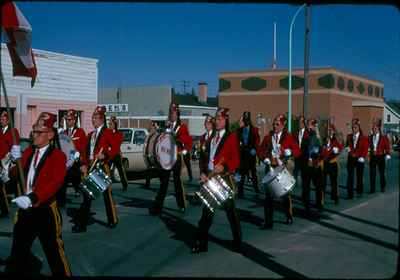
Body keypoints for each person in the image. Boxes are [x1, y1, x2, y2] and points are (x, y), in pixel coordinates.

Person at [4, 112, 72, 276]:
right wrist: (14, 161)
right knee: (18, 251)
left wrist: (33, 197)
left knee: (54, 253)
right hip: (26, 212)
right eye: (33, 130)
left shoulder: (57, 156)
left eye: (38, 132)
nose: (33, 135)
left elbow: (55, 183)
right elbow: (14, 176)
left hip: (45, 211)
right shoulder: (28, 152)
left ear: (50, 134)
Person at [191, 108, 242, 253]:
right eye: (216, 118)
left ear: (226, 120)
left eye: (220, 119)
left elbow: (236, 160)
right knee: (207, 212)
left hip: (224, 180)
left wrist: (225, 166)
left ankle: (238, 242)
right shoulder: (211, 137)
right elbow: (205, 158)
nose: (217, 121)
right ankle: (202, 244)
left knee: (231, 212)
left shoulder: (231, 137)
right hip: (211, 179)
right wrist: (203, 172)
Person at [72, 106, 118, 233]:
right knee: (87, 195)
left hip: (102, 166)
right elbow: (86, 152)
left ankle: (112, 219)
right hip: (92, 166)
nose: (93, 120)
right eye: (93, 118)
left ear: (102, 119)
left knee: (107, 195)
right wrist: (84, 164)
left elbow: (114, 148)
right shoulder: (91, 135)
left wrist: (105, 155)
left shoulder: (108, 132)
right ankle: (82, 224)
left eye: (96, 118)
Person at [257, 114, 300, 228]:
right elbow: (260, 150)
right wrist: (264, 158)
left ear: (283, 125)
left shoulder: (289, 137)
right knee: (268, 196)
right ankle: (268, 221)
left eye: (277, 124)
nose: (275, 126)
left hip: (283, 167)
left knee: (285, 194)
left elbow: (297, 151)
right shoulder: (268, 136)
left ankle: (289, 215)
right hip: (271, 167)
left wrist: (289, 152)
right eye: (274, 124)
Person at [149, 102, 192, 215]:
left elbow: (186, 140)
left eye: (173, 113)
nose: (171, 115)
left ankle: (181, 204)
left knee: (177, 181)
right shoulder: (166, 126)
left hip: (176, 157)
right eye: (170, 113)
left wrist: (183, 149)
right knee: (164, 183)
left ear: (177, 114)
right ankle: (158, 207)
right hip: (166, 158)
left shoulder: (182, 126)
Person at [56, 109, 88, 208]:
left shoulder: (80, 132)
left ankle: (84, 199)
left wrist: (83, 161)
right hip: (67, 162)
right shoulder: (64, 132)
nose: (68, 121)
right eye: (67, 120)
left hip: (77, 161)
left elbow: (83, 147)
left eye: (70, 120)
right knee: (63, 181)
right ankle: (61, 202)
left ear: (74, 120)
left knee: (78, 181)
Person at [0, 111, 21, 217]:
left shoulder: (13, 131)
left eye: (3, 120)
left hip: (7, 161)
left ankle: (5, 208)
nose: (1, 121)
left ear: (8, 120)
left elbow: (15, 146)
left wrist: (10, 161)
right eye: (0, 119)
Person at [236, 111, 260, 198]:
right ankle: (240, 192)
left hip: (251, 154)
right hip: (242, 154)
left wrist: (255, 150)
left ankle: (256, 188)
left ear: (249, 120)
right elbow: (236, 142)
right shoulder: (239, 130)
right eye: (244, 120)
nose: (246, 122)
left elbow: (257, 141)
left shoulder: (254, 130)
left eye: (247, 120)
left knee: (253, 172)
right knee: (241, 173)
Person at [303, 118, 324, 210]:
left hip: (316, 164)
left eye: (310, 124)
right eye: (307, 124)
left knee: (318, 186)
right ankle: (307, 205)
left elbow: (322, 148)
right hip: (307, 164)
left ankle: (319, 203)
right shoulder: (305, 134)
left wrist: (317, 152)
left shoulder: (317, 136)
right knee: (306, 186)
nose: (308, 126)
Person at [345, 118, 369, 199]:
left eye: (355, 127)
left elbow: (365, 148)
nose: (354, 129)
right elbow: (347, 146)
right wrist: (347, 149)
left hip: (359, 159)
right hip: (351, 158)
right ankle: (350, 194)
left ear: (359, 128)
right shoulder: (349, 136)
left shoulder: (364, 137)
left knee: (359, 176)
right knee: (350, 177)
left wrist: (362, 157)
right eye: (353, 127)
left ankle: (359, 191)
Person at [321, 123, 343, 205]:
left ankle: (336, 197)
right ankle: (321, 199)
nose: (329, 132)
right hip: (325, 164)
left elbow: (341, 145)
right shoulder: (323, 141)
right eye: (328, 131)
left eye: (330, 130)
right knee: (323, 182)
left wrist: (334, 128)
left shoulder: (335, 140)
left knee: (334, 182)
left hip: (333, 163)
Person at [368, 119, 391, 193]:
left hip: (380, 157)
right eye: (373, 128)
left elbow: (387, 147)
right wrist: (367, 156)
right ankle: (372, 188)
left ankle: (383, 187)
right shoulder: (370, 137)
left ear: (378, 129)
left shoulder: (383, 138)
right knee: (372, 173)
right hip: (373, 157)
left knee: (382, 173)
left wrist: (387, 155)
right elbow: (367, 147)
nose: (374, 130)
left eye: (375, 128)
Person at [108, 115, 129, 191]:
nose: (109, 125)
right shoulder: (107, 133)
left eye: (111, 124)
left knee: (120, 170)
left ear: (115, 124)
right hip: (109, 154)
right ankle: (106, 186)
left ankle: (125, 185)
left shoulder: (119, 134)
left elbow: (116, 144)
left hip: (116, 154)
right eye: (109, 124)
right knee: (107, 170)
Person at [293, 115, 310, 210]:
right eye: (298, 122)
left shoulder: (308, 133)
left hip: (305, 159)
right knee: (294, 176)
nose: (299, 124)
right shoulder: (296, 133)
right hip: (297, 158)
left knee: (305, 180)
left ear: (304, 123)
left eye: (301, 122)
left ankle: (306, 200)